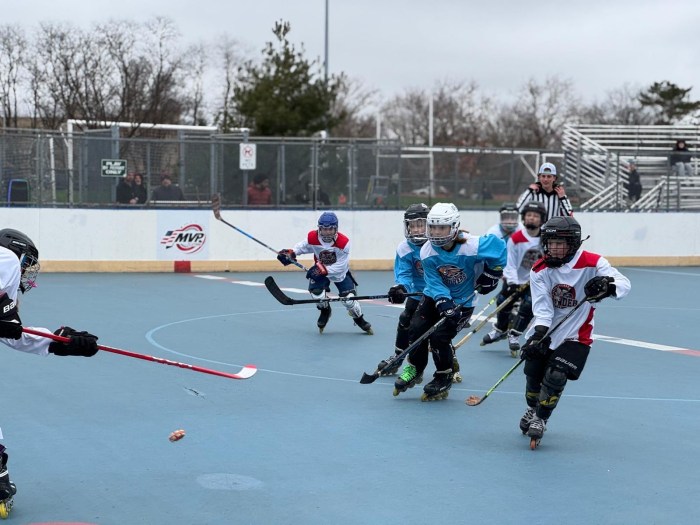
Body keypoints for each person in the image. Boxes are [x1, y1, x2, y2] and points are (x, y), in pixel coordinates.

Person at [0, 228, 99, 516]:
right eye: (27, 263)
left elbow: (13, 333)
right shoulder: (5, 259)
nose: (27, 273)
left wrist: (62, 342)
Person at [518, 216, 631, 448]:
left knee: (557, 375)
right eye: (551, 243)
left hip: (577, 335)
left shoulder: (593, 262)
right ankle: (532, 408)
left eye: (561, 243)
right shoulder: (540, 270)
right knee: (533, 378)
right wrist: (537, 336)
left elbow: (624, 284)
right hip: (546, 331)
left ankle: (541, 418)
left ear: (573, 243)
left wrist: (607, 287)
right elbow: (542, 309)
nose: (555, 248)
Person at [393, 202, 507, 401]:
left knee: (439, 338)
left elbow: (500, 249)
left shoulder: (472, 245)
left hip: (464, 300)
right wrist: (443, 302)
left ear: (454, 227)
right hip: (433, 295)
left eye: (442, 228)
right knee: (416, 328)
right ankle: (416, 369)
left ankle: (443, 376)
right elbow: (434, 282)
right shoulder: (428, 251)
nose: (436, 233)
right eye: (433, 227)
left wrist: (492, 274)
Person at [276, 212, 372, 334]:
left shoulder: (344, 242)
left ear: (336, 228)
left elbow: (341, 267)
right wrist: (290, 253)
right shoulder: (313, 237)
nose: (327, 232)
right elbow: (302, 247)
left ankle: (359, 319)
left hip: (338, 273)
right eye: (324, 229)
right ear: (319, 228)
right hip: (319, 271)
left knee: (349, 300)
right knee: (317, 295)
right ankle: (325, 310)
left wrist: (322, 270)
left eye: (330, 229)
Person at [481, 201, 546, 357]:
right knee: (503, 301)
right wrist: (512, 283)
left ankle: (515, 334)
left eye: (535, 216)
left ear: (542, 219)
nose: (532, 218)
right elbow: (510, 263)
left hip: (536, 281)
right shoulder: (516, 238)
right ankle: (500, 329)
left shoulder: (546, 238)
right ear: (524, 218)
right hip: (516, 280)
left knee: (529, 305)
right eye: (529, 215)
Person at [375, 203, 429, 376]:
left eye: (421, 224)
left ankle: (448, 366)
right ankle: (398, 357)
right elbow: (404, 274)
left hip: (439, 293)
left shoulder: (438, 244)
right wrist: (400, 288)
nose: (417, 229)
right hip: (417, 291)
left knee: (436, 329)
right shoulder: (405, 248)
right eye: (413, 225)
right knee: (405, 318)